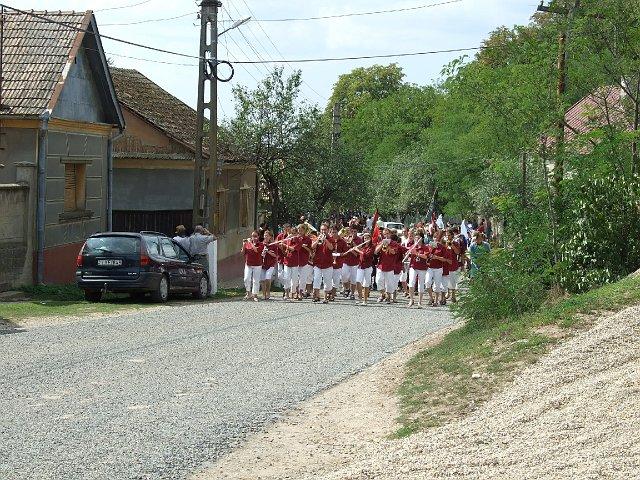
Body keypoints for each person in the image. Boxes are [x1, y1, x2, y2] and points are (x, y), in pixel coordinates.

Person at [425, 230, 450, 307]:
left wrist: (436, 257)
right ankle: (431, 297)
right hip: (430, 267)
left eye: (437, 237)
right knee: (427, 282)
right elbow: (426, 255)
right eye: (434, 237)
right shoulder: (429, 246)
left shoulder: (442, 247)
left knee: (437, 285)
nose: (435, 239)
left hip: (438, 268)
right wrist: (429, 253)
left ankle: (435, 301)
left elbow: (444, 259)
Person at [375, 228, 399, 304]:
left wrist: (388, 246)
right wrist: (382, 244)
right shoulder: (381, 242)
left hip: (390, 265)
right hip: (381, 265)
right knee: (378, 281)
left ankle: (388, 297)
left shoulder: (394, 243)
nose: (386, 235)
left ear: (390, 234)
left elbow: (394, 252)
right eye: (384, 234)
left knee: (389, 283)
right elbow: (375, 252)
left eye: (387, 234)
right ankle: (383, 294)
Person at [312, 223, 335, 303]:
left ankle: (325, 298)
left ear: (328, 230)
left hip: (327, 263)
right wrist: (317, 240)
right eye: (322, 229)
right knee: (316, 279)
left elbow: (331, 248)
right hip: (317, 263)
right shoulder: (317, 238)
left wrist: (325, 240)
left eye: (325, 230)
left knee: (327, 281)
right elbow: (312, 247)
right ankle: (316, 296)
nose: (323, 231)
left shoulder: (331, 239)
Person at [407, 231, 429, 308]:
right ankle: (411, 300)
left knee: (421, 284)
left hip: (422, 267)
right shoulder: (413, 246)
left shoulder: (425, 247)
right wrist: (409, 253)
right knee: (411, 282)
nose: (417, 239)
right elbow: (409, 256)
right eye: (416, 238)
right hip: (413, 266)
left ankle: (419, 302)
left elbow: (425, 257)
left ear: (421, 238)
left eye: (418, 238)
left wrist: (416, 253)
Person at [241, 231, 264, 302]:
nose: (254, 238)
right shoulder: (247, 244)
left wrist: (250, 242)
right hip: (248, 264)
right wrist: (244, 245)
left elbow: (256, 250)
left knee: (256, 280)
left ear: (258, 237)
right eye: (252, 236)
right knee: (246, 279)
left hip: (257, 264)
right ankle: (248, 293)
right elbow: (243, 253)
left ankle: (255, 295)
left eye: (255, 236)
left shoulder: (261, 244)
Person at [352, 232, 374, 305]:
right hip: (360, 266)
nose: (366, 239)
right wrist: (354, 248)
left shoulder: (372, 247)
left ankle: (365, 300)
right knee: (358, 281)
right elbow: (358, 255)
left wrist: (357, 250)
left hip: (368, 267)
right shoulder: (362, 246)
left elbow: (366, 255)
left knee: (366, 284)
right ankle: (360, 297)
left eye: (367, 238)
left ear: (370, 239)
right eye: (365, 238)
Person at [341, 226, 361, 300]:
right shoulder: (345, 239)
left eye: (354, 231)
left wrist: (352, 243)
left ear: (357, 232)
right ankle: (347, 288)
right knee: (344, 277)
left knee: (353, 280)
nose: (353, 233)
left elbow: (359, 251)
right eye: (351, 231)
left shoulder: (359, 239)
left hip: (355, 262)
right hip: (345, 261)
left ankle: (352, 293)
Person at [282, 226, 302, 301]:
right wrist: (283, 243)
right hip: (287, 261)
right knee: (286, 278)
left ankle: (293, 293)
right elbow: (283, 247)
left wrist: (285, 245)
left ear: (297, 234)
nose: (292, 235)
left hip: (295, 262)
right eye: (291, 233)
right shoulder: (287, 240)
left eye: (294, 233)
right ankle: (286, 294)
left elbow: (293, 248)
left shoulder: (299, 241)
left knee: (294, 280)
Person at [297, 224, 313, 301]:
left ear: (305, 231)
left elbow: (310, 250)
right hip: (295, 260)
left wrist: (303, 246)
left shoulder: (308, 239)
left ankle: (301, 293)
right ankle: (295, 292)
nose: (300, 232)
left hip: (304, 260)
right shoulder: (295, 238)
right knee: (295, 279)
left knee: (303, 279)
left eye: (301, 230)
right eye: (299, 230)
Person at [261, 230, 278, 301]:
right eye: (265, 235)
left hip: (270, 264)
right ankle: (263, 294)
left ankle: (268, 292)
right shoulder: (261, 244)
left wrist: (268, 251)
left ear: (270, 237)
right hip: (262, 264)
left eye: (267, 236)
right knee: (262, 279)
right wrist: (262, 252)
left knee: (267, 278)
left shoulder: (273, 245)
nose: (265, 237)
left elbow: (275, 255)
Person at [275, 224, 291, 291]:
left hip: (289, 258)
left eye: (288, 228)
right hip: (281, 257)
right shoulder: (280, 236)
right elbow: (276, 243)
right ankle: (286, 286)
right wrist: (281, 248)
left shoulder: (292, 236)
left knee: (288, 275)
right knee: (280, 276)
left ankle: (286, 289)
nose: (286, 230)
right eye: (285, 228)